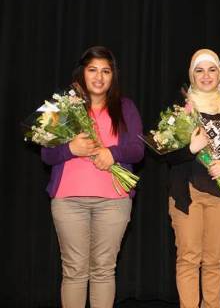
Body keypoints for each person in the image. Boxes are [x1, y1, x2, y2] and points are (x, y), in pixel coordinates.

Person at [41, 46, 144, 308]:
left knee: (104, 270)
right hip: (68, 201)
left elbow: (137, 150)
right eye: (93, 70)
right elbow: (46, 154)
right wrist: (70, 149)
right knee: (74, 271)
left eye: (105, 71)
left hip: (114, 201)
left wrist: (113, 153)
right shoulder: (62, 106)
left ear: (113, 76)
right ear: (82, 73)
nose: (99, 77)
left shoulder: (126, 107)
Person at [165, 49, 220, 308]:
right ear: (192, 75)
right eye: (199, 70)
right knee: (189, 258)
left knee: (215, 260)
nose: (206, 76)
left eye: (211, 70)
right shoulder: (182, 109)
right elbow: (166, 155)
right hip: (188, 193)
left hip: (219, 195)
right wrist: (190, 149)